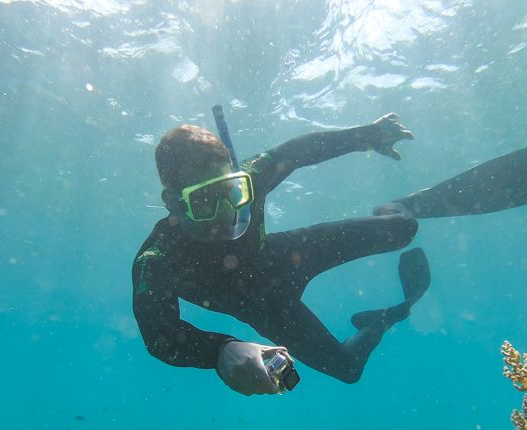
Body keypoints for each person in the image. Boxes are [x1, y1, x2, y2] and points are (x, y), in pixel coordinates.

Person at [132, 113, 432, 396]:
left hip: (286, 257)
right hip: (267, 308)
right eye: (203, 200)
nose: (226, 212)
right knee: (349, 368)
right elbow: (160, 335)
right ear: (172, 202)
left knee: (403, 227)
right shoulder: (157, 258)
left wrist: (368, 135)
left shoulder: (251, 176)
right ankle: (377, 322)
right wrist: (220, 350)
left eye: (232, 191)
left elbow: (296, 151)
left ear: (238, 178)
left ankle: (392, 208)